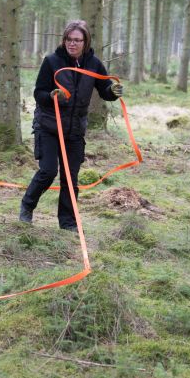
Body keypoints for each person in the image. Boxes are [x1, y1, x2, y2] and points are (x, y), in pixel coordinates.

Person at [19, 20, 123, 231]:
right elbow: (38, 93)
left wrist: (113, 91)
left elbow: (104, 89)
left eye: (77, 40)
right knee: (48, 171)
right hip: (48, 126)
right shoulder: (52, 61)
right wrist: (51, 96)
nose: (72, 44)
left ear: (85, 42)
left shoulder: (93, 64)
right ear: (64, 40)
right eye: (69, 39)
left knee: (70, 178)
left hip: (75, 130)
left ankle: (67, 223)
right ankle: (27, 207)